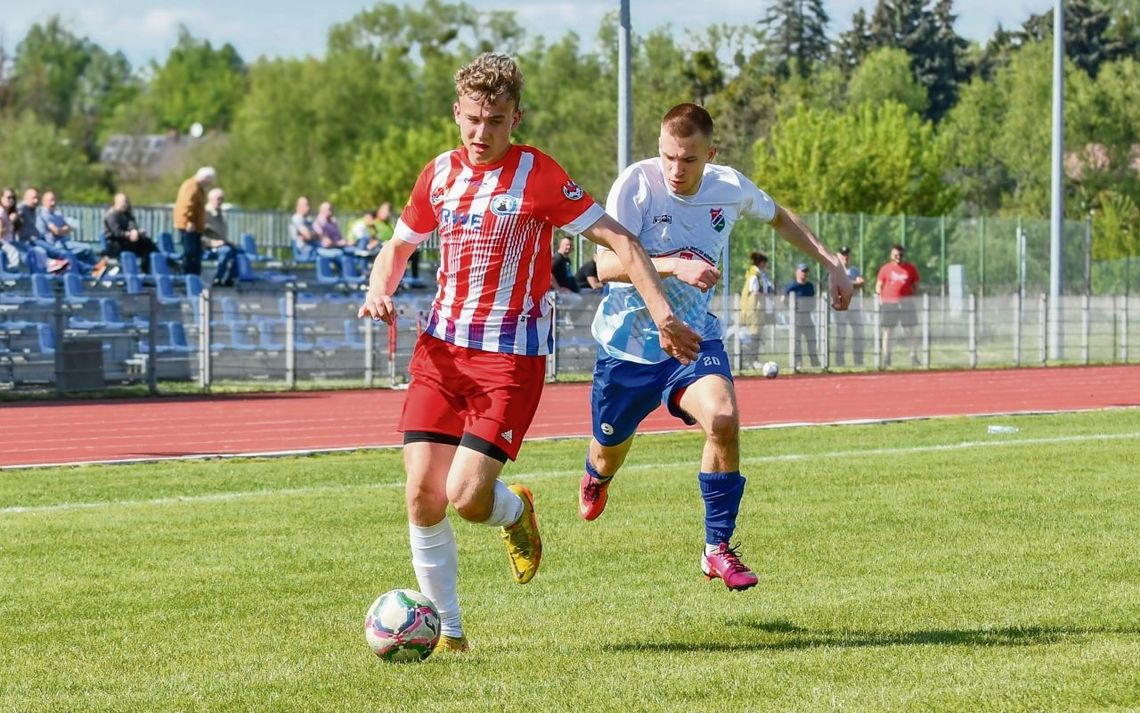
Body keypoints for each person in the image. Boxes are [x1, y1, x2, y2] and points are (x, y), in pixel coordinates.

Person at [357, 53, 699, 652]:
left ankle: (514, 513)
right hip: (440, 352)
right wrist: (377, 290)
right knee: (420, 493)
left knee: (466, 498)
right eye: (471, 119)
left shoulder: (539, 176)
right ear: (456, 112)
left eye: (494, 120)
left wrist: (663, 313)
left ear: (517, 117)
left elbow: (618, 238)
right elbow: (398, 245)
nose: (480, 133)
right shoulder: (437, 174)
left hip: (509, 359)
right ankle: (449, 635)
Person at [578, 103, 852, 591]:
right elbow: (604, 265)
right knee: (607, 454)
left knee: (723, 419)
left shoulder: (728, 186)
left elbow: (780, 218)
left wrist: (831, 262)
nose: (675, 170)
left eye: (688, 159)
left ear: (711, 154)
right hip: (628, 348)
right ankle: (598, 476)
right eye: (668, 157)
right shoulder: (636, 184)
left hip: (692, 339)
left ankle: (716, 548)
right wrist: (675, 264)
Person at [37, 191, 105, 276]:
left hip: (64, 241)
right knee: (79, 252)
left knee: (85, 251)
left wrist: (62, 230)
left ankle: (96, 271)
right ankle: (93, 271)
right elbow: (56, 231)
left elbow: (68, 227)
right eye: (50, 200)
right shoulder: (43, 215)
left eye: (54, 200)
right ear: (44, 201)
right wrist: (62, 230)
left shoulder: (57, 214)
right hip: (55, 245)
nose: (53, 203)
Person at [875, 243, 920, 367]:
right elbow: (879, 285)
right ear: (891, 255)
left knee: (909, 330)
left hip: (906, 303)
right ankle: (886, 357)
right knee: (888, 331)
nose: (898, 257)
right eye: (895, 255)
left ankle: (913, 356)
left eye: (900, 254)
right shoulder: (885, 268)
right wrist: (880, 299)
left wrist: (911, 297)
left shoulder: (910, 268)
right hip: (889, 303)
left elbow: (916, 285)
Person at [174, 167, 215, 276]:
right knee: (190, 253)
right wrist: (189, 220)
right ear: (205, 178)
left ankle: (194, 277)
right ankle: (188, 277)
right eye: (210, 180)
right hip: (189, 226)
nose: (210, 183)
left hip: (195, 227)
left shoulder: (197, 187)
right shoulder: (191, 186)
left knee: (195, 253)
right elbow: (187, 204)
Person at [102, 193, 159, 271]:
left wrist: (136, 232)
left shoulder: (127, 215)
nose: (124, 204)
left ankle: (147, 270)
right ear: (115, 203)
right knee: (146, 244)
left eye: (125, 202)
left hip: (127, 242)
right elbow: (116, 233)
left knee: (147, 243)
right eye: (122, 202)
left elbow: (132, 225)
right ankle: (145, 270)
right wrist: (129, 234)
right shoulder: (111, 215)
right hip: (115, 244)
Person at [739, 251, 773, 368]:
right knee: (754, 336)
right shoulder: (754, 276)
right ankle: (752, 361)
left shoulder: (758, 275)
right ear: (762, 263)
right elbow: (755, 293)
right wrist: (766, 294)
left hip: (756, 311)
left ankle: (752, 360)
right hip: (754, 311)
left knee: (755, 336)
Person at [833, 245, 865, 366]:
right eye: (843, 254)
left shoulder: (854, 270)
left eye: (847, 254)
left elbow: (861, 282)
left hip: (855, 306)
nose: (845, 256)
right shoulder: (835, 269)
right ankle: (839, 362)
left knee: (858, 334)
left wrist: (847, 282)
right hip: (841, 307)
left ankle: (858, 361)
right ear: (838, 256)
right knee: (841, 334)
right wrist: (852, 283)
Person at [783, 262, 820, 369]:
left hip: (807, 317)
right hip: (796, 317)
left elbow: (813, 301)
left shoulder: (809, 286)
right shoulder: (792, 286)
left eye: (806, 272)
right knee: (796, 341)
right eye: (802, 271)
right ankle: (798, 362)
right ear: (797, 272)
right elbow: (783, 299)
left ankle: (814, 362)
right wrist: (791, 307)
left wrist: (811, 307)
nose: (804, 274)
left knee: (812, 340)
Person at [204, 188, 240, 287]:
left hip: (221, 244)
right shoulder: (205, 214)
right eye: (218, 199)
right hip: (208, 248)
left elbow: (220, 236)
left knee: (239, 252)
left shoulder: (219, 214)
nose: (221, 202)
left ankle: (230, 278)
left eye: (222, 199)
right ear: (210, 199)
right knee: (226, 251)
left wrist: (227, 241)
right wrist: (211, 242)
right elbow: (198, 236)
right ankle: (218, 278)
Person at [1, 188, 20, 271]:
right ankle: (9, 278)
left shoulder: (8, 212)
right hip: (2, 242)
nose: (11, 200)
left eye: (13, 198)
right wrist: (11, 222)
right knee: (14, 253)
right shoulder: (1, 211)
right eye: (8, 197)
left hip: (10, 241)